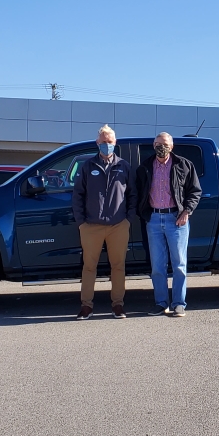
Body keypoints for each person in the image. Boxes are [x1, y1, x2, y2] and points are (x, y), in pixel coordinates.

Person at [71, 125, 136, 319]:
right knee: (89, 267)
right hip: (91, 226)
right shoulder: (87, 166)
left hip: (118, 225)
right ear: (97, 143)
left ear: (115, 143)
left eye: (110, 142)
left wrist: (128, 219)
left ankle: (118, 305)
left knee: (118, 266)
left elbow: (132, 194)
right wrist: (81, 222)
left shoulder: (124, 166)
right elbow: (78, 195)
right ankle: (86, 306)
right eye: (103, 142)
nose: (106, 145)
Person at [136, 132, 201, 317]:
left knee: (179, 264)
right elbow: (139, 193)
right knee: (157, 266)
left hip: (176, 219)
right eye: (158, 143)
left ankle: (179, 304)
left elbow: (195, 191)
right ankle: (161, 303)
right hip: (153, 220)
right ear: (153, 145)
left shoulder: (184, 165)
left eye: (165, 144)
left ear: (171, 146)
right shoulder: (145, 167)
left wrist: (186, 212)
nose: (161, 147)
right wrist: (144, 214)